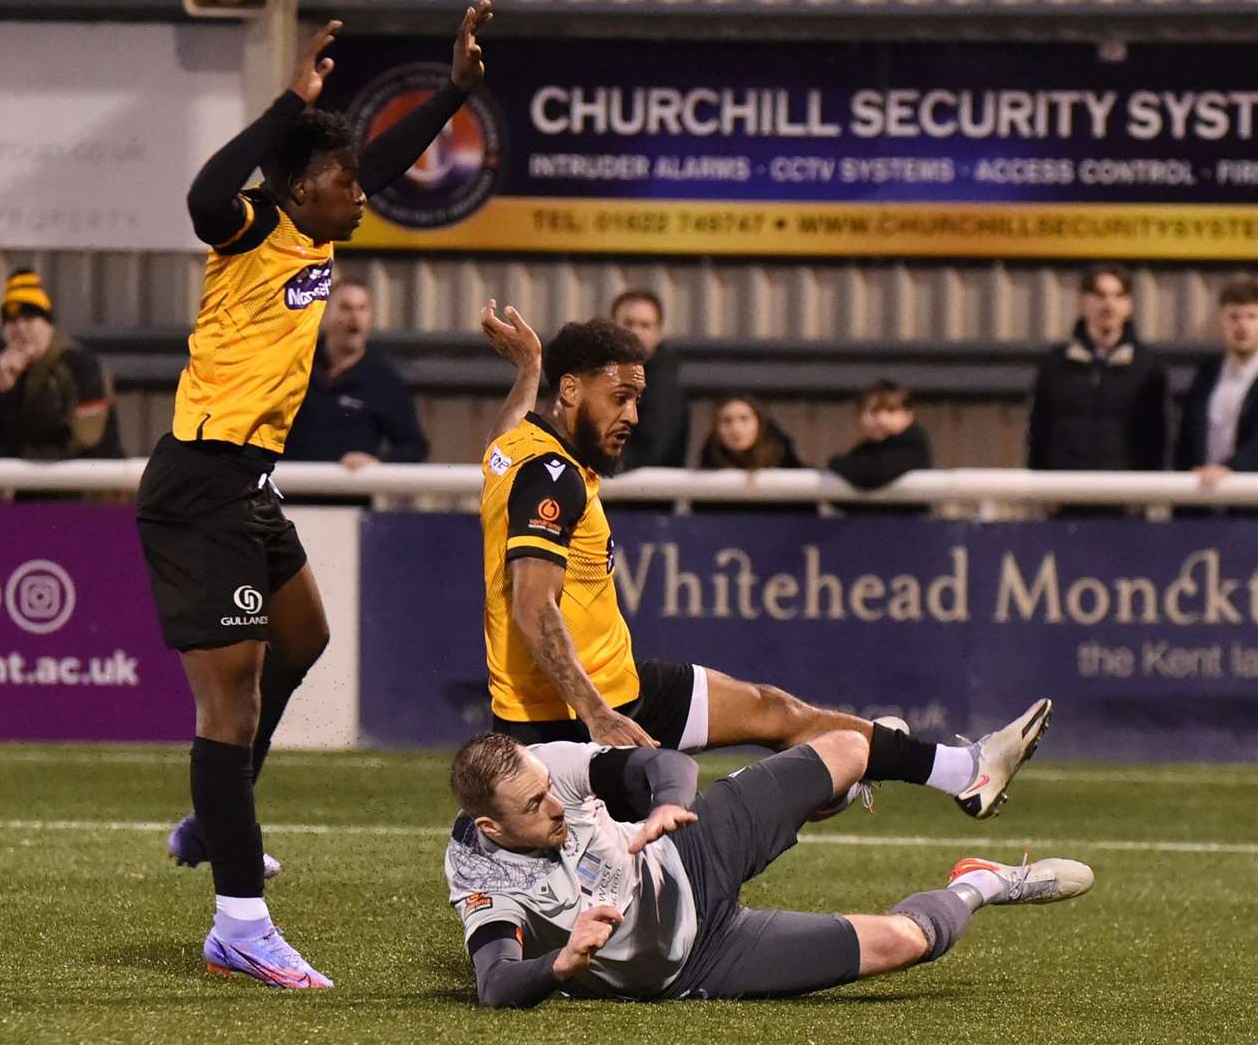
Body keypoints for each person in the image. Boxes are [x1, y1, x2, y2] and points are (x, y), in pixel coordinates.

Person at [134, 4, 494, 989]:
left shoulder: (322, 227)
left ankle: (217, 818)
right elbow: (207, 190)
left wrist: (455, 90)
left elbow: (379, 159)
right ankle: (239, 923)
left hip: (247, 483)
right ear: (300, 188)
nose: (361, 194)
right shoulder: (253, 227)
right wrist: (286, 104)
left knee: (304, 637)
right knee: (232, 704)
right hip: (199, 484)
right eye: (341, 182)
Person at [477, 307, 1052, 824]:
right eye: (618, 397)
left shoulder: (512, 450)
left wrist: (529, 368)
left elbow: (509, 427)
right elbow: (534, 606)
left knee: (773, 710)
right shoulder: (550, 479)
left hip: (616, 681)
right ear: (572, 391)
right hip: (565, 719)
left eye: (637, 399)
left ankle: (964, 769)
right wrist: (598, 715)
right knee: (680, 852)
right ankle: (823, 783)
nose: (632, 414)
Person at [445, 732, 1094, 1008]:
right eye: (535, 806)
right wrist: (561, 964)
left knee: (844, 747)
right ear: (492, 828)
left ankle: (964, 771)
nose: (554, 803)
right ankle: (977, 883)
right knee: (906, 942)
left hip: (689, 852)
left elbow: (660, 765)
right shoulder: (480, 871)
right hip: (695, 961)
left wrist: (669, 806)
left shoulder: (545, 765)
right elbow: (496, 984)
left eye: (547, 788)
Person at [282, 278, 427, 505]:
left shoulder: (383, 379)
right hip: (286, 502)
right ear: (325, 313)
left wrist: (378, 463)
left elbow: (413, 446)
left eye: (362, 308)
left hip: (347, 509)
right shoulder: (295, 364)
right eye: (345, 307)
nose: (355, 317)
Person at [1027, 263, 1168, 475]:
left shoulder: (1148, 367)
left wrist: (1144, 494)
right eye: (1100, 295)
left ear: (1128, 305)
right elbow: (1039, 430)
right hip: (1063, 493)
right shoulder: (1055, 364)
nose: (1109, 304)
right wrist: (1040, 484)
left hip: (1124, 496)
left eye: (1118, 296)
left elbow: (1159, 436)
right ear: (1084, 302)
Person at [0, 267, 123, 462]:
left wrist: (23, 462)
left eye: (29, 318)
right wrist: (4, 394)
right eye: (11, 322)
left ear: (48, 324)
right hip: (27, 487)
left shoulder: (80, 366)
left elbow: (85, 442)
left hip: (87, 487)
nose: (20, 329)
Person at [1174, 276, 1258, 498]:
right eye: (1234, 317)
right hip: (1202, 495)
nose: (1242, 325)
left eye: (1251, 316)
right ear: (1222, 320)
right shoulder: (1207, 373)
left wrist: (1230, 468)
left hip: (1249, 500)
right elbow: (1188, 435)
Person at [610, 290, 689, 470]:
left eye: (645, 325)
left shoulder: (664, 386)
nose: (635, 332)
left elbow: (649, 452)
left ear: (659, 333)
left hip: (640, 493)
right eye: (628, 323)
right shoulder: (590, 375)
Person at [827, 379, 931, 515]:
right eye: (874, 411)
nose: (881, 419)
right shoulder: (864, 450)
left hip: (908, 530)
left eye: (891, 410)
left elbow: (871, 474)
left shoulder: (912, 444)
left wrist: (835, 463)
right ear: (858, 416)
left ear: (909, 416)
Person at [697, 394, 804, 471]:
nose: (736, 429)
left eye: (744, 419)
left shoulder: (783, 458)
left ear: (760, 424)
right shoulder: (710, 457)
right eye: (726, 421)